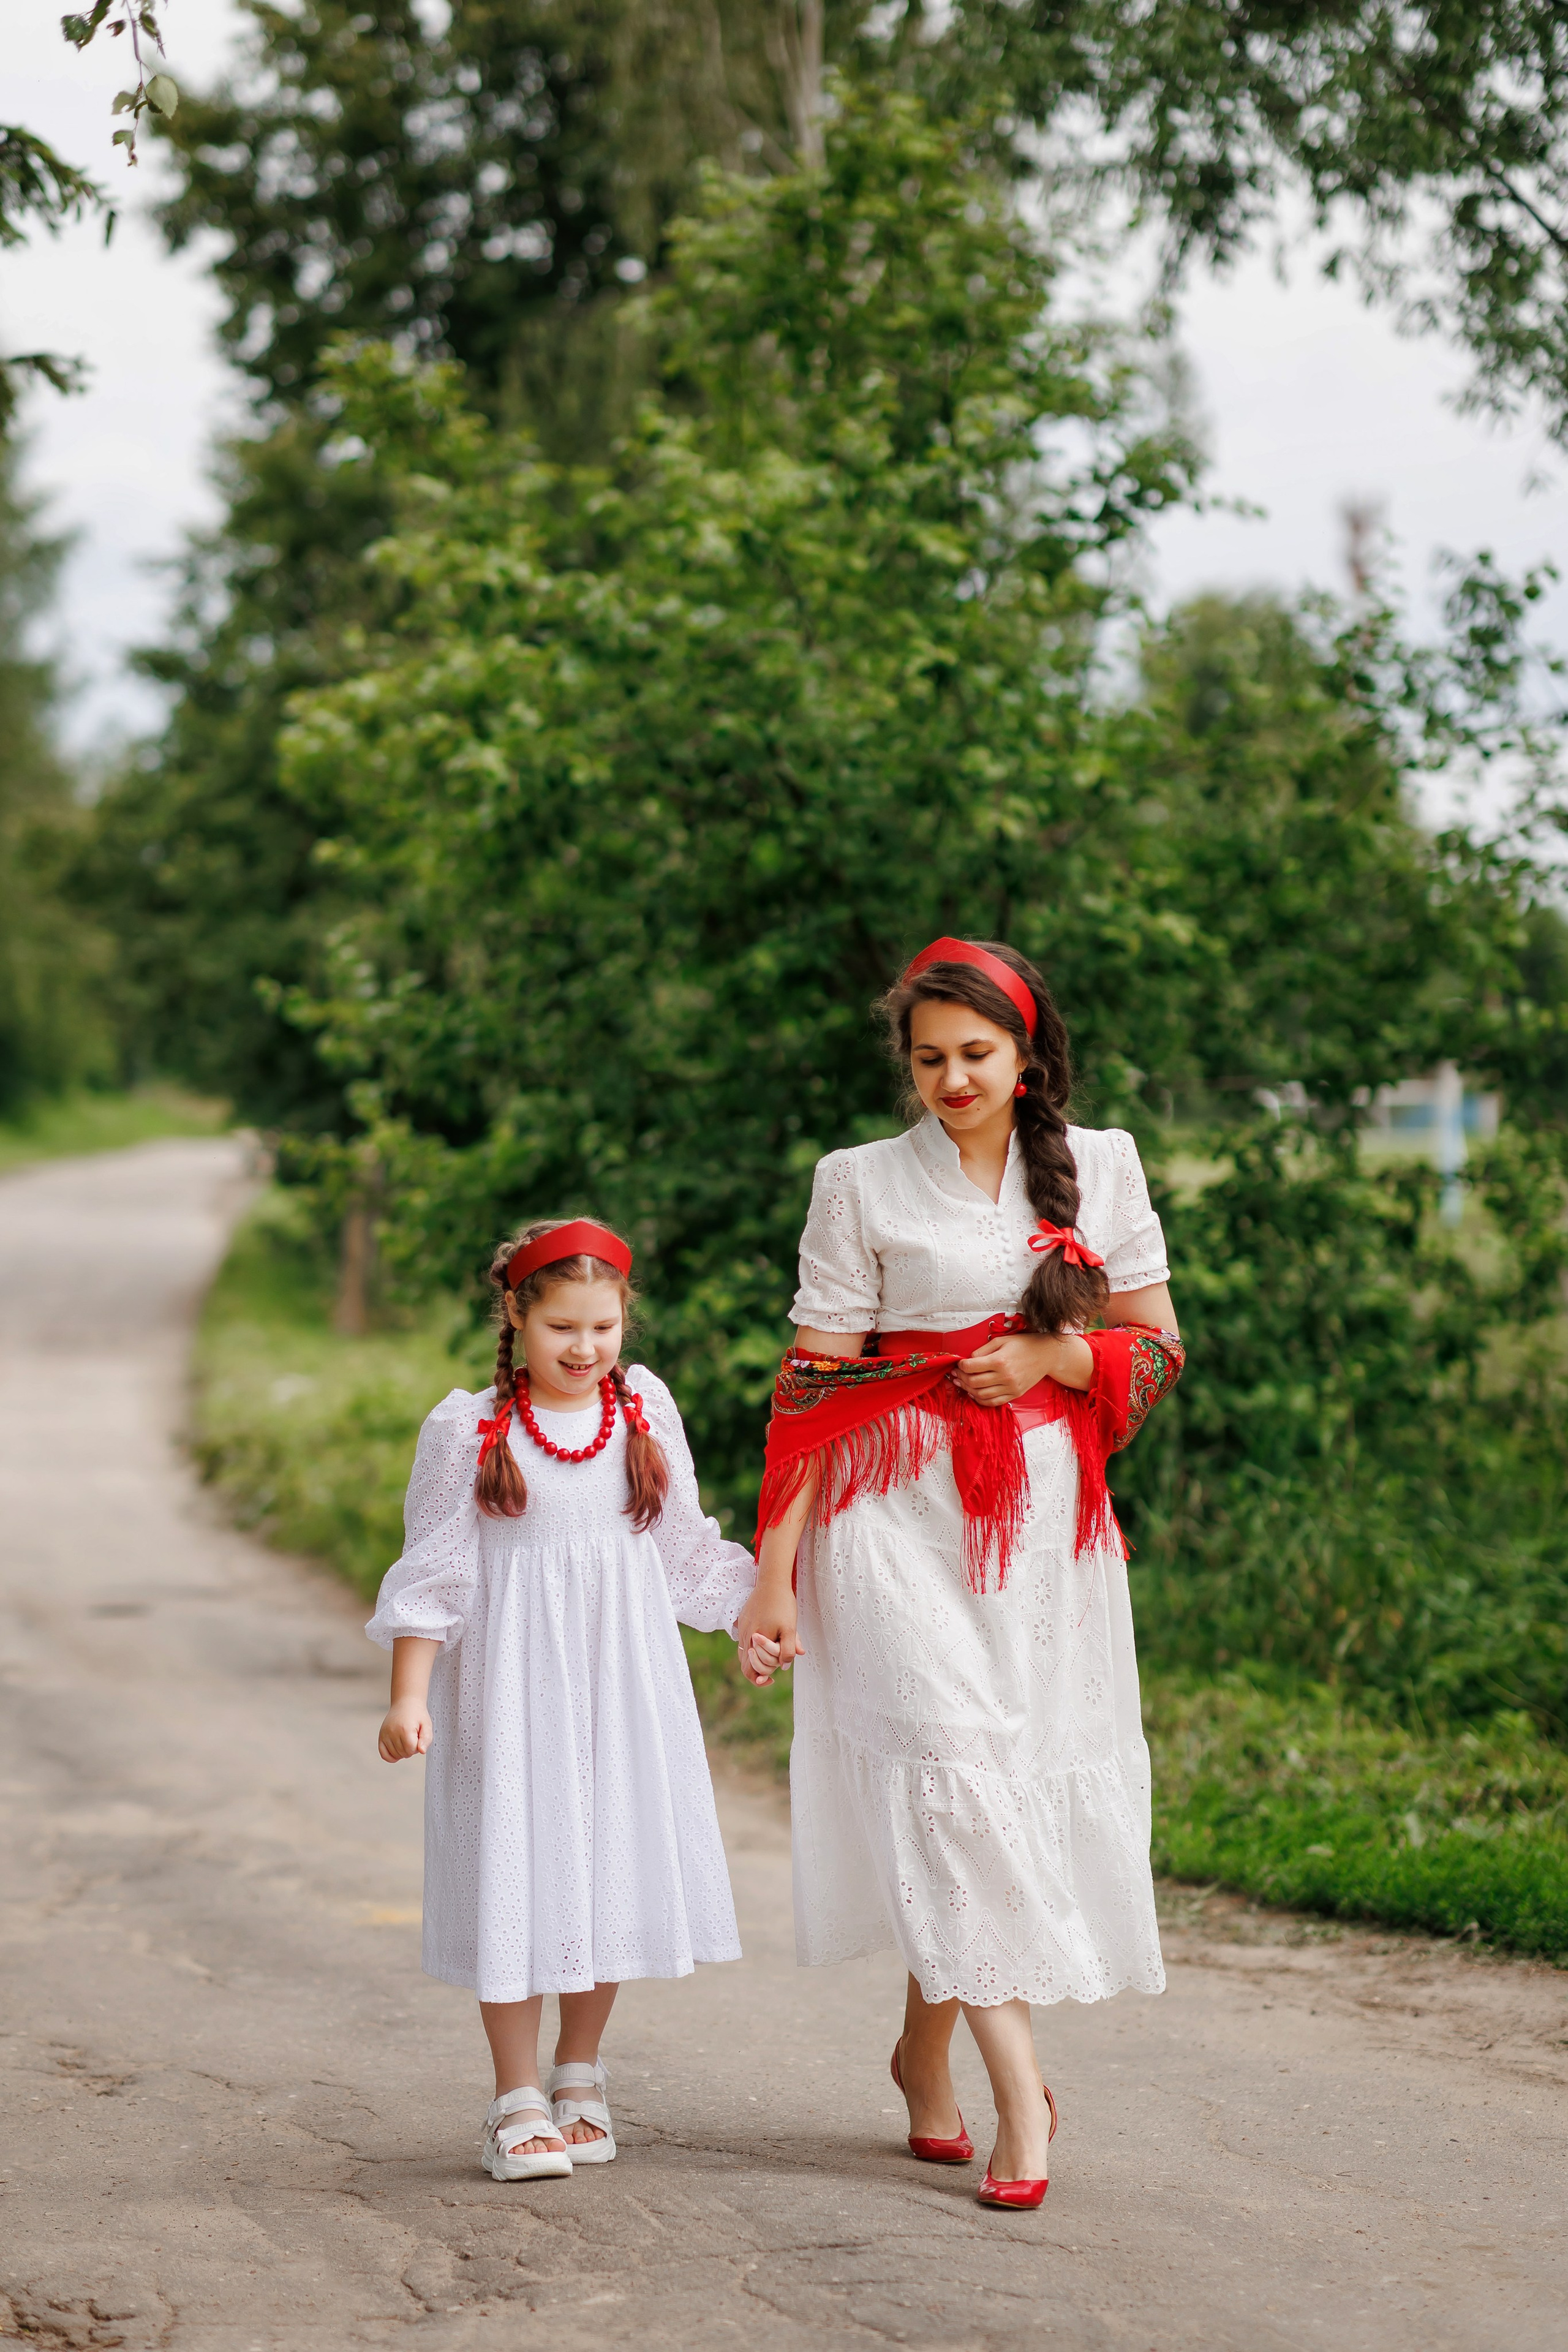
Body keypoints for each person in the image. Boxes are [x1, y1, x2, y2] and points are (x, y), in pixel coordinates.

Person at [736, 938, 1183, 2211]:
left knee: (987, 1786)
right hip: (885, 1517)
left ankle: (918, 2051)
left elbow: (1154, 1346)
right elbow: (812, 1392)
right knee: (949, 1780)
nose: (949, 1078)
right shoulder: (856, 1183)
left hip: (1040, 1524)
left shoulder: (1099, 1166)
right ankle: (1018, 2097)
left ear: (1025, 1055)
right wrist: (774, 1573)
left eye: (974, 1055)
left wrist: (1055, 1363)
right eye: (926, 1058)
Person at [371, 1216, 755, 2182]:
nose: (585, 1351)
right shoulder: (467, 1431)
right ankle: (515, 2095)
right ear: (517, 1315)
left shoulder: (644, 1410)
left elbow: (683, 1551)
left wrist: (757, 1617)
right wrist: (407, 1694)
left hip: (622, 1680)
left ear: (626, 1322)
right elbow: (434, 1574)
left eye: (603, 1329)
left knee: (607, 1865)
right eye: (562, 1331)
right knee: (520, 1869)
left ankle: (579, 2069)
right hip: (511, 1688)